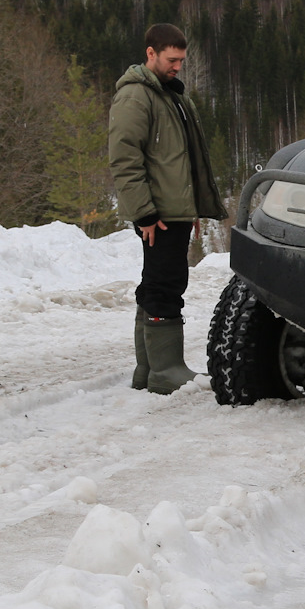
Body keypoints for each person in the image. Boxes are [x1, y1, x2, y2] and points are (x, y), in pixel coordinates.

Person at [109, 22, 225, 394]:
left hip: (173, 210)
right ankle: (165, 370)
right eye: (172, 60)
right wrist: (144, 212)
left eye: (181, 60)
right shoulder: (136, 96)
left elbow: (182, 160)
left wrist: (190, 208)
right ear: (151, 54)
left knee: (158, 281)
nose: (178, 66)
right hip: (156, 214)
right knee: (166, 284)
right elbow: (124, 159)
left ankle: (147, 372)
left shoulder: (170, 95)